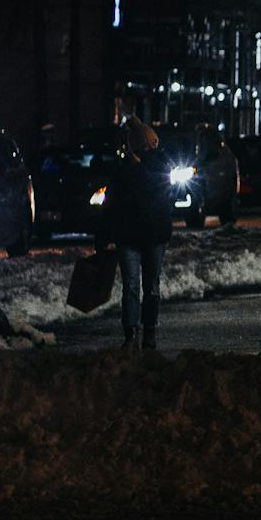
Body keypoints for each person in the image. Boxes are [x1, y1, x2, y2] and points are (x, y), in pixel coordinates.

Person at [105, 116, 173, 351]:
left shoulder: (153, 167)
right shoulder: (127, 171)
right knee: (140, 286)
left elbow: (111, 205)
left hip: (141, 235)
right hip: (140, 236)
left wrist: (104, 235)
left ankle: (140, 332)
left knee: (139, 286)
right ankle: (138, 333)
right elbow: (111, 204)